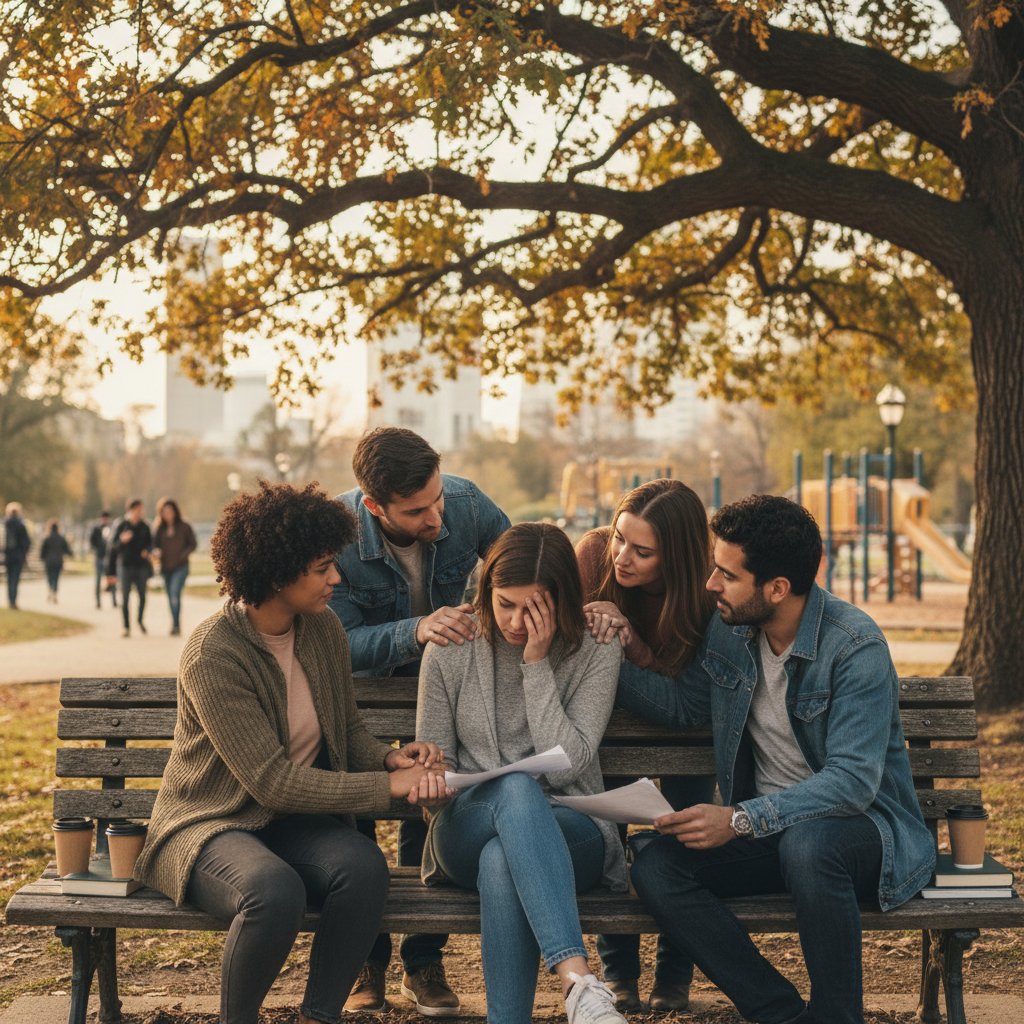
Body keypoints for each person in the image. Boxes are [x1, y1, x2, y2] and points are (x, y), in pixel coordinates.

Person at [135, 480, 448, 1024]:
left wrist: (387, 758)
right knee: (272, 891)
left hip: (289, 822)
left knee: (363, 866)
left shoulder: (321, 629)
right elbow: (269, 781)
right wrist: (386, 788)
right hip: (210, 822)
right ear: (278, 572)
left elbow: (343, 730)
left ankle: (318, 1015)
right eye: (323, 567)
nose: (336, 578)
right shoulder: (216, 653)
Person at [617, 495, 935, 1024]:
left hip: (864, 833)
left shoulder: (854, 646)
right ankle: (780, 1014)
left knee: (811, 846)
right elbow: (686, 705)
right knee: (657, 866)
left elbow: (853, 784)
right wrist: (608, 650)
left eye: (726, 574)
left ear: (777, 589)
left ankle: (836, 1017)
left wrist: (740, 818)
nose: (710, 585)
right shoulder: (730, 629)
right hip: (768, 834)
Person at [414, 522, 629, 1024]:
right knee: (511, 791)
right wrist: (430, 780)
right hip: (465, 826)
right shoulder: (451, 646)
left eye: (531, 608)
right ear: (487, 589)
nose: (514, 621)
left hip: (572, 830)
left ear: (562, 600)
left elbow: (571, 760)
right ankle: (578, 982)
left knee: (502, 860)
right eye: (504, 602)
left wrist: (536, 664)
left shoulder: (597, 646)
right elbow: (435, 766)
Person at [329, 426, 510, 1015]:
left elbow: (523, 564)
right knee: (357, 820)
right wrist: (416, 629)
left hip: (441, 687)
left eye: (436, 497)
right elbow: (339, 644)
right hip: (359, 698)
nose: (436, 517)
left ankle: (421, 961)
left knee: (431, 805)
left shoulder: (465, 502)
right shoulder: (336, 533)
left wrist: (494, 613)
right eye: (416, 510)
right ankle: (365, 961)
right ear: (373, 505)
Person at [575, 479, 715, 1012]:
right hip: (608, 729)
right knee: (610, 835)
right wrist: (593, 622)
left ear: (675, 555)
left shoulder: (703, 591)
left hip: (684, 734)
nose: (622, 558)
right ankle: (620, 976)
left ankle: (675, 977)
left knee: (685, 835)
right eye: (619, 539)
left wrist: (632, 646)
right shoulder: (592, 559)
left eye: (642, 550)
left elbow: (683, 690)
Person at [105, 498, 153, 637]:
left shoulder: (145, 526)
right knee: (125, 597)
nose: (140, 513)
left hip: (141, 566)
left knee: (143, 596)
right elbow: (112, 547)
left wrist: (147, 551)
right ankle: (126, 626)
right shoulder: (121, 525)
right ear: (130, 510)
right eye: (137, 510)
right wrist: (122, 540)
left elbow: (151, 543)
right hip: (125, 566)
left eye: (141, 510)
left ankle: (139, 620)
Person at [153, 497, 198, 636]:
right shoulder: (159, 528)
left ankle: (176, 625)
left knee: (174, 594)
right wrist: (156, 552)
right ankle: (174, 622)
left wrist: (183, 555)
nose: (168, 514)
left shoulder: (184, 526)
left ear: (175, 511)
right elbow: (154, 545)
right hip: (166, 567)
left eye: (170, 511)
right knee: (170, 596)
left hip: (181, 566)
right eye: (165, 512)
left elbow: (193, 544)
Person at [3, 501, 31, 609]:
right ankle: (13, 601)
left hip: (7, 556)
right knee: (15, 578)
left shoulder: (5, 524)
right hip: (18, 557)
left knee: (9, 578)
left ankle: (9, 600)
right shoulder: (21, 525)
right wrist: (23, 553)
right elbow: (27, 542)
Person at [39, 518, 73, 603]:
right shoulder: (61, 538)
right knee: (56, 578)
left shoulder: (47, 538)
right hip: (58, 561)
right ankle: (54, 591)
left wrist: (42, 558)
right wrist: (71, 554)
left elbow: (43, 551)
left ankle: (51, 589)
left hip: (49, 561)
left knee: (50, 577)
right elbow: (66, 549)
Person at [88, 511, 117, 609]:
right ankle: (98, 601)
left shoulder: (112, 528)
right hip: (100, 557)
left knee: (112, 580)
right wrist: (98, 549)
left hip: (110, 558)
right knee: (98, 580)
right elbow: (92, 542)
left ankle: (114, 600)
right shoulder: (96, 529)